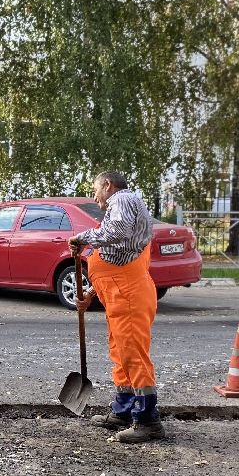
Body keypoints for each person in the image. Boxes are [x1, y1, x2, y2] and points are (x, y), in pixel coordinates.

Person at [69, 171, 163, 443]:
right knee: (121, 355)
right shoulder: (125, 208)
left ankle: (148, 421)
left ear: (108, 185)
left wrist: (82, 238)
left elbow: (115, 233)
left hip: (129, 296)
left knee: (133, 356)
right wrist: (90, 293)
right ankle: (123, 411)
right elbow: (114, 261)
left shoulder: (122, 200)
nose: (95, 196)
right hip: (120, 295)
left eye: (95, 190)